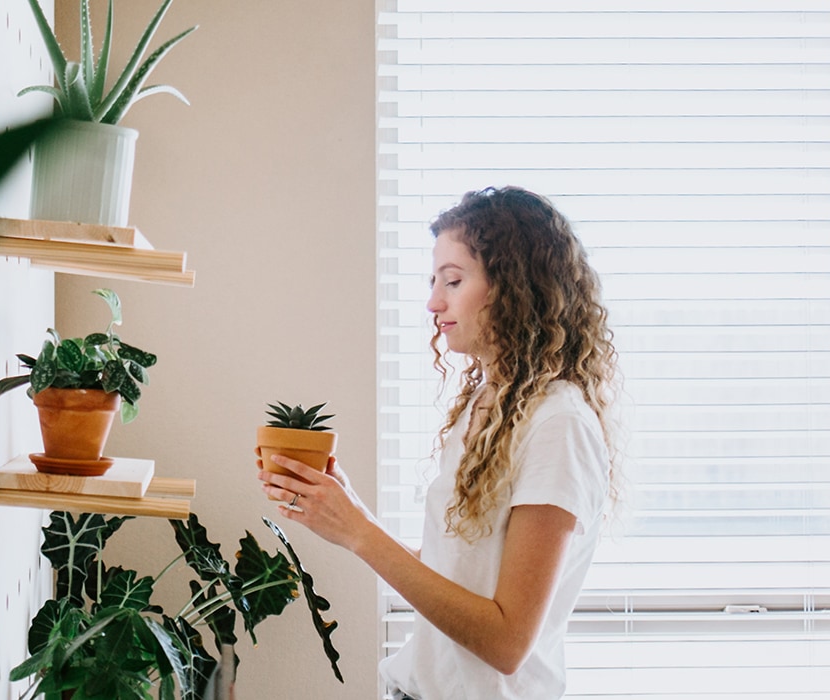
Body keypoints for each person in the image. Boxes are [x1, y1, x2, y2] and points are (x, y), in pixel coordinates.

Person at [259, 186, 620, 700]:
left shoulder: (557, 425)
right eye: (434, 281)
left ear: (516, 286)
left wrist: (359, 531)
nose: (433, 302)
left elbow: (505, 642)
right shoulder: (487, 406)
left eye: (453, 280)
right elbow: (451, 575)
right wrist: (342, 512)